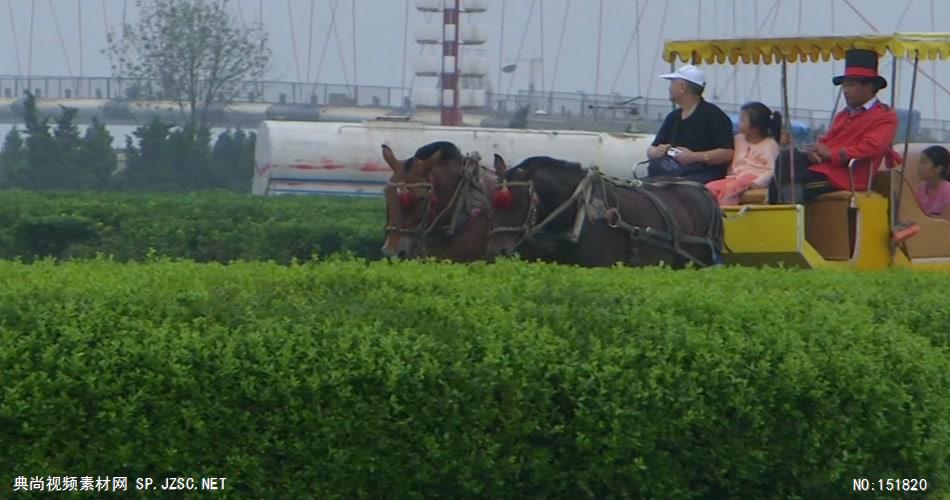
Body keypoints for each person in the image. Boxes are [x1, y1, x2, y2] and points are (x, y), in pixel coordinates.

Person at [769, 48, 900, 203]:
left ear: (869, 87)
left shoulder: (884, 116)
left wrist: (831, 153)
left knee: (783, 184)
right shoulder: (844, 114)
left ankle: (792, 216)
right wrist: (816, 151)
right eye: (844, 86)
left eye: (850, 85)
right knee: (786, 159)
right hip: (824, 168)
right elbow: (828, 140)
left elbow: (871, 147)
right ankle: (788, 213)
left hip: (847, 176)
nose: (845, 91)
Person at [643, 64, 735, 184]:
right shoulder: (673, 117)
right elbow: (652, 149)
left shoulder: (713, 115)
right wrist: (657, 152)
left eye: (672, 84)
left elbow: (727, 152)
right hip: (672, 169)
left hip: (703, 173)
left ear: (682, 87)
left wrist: (693, 157)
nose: (669, 88)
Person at [705, 102, 782, 206]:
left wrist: (757, 182)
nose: (738, 123)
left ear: (755, 128)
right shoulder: (738, 139)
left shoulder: (770, 145)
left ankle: (728, 213)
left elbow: (772, 170)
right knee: (709, 188)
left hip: (753, 177)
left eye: (742, 120)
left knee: (731, 189)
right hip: (735, 177)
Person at [913, 145, 950, 217]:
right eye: (919, 162)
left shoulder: (948, 191)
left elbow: (946, 223)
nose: (918, 166)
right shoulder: (919, 189)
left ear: (938, 168)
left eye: (924, 163)